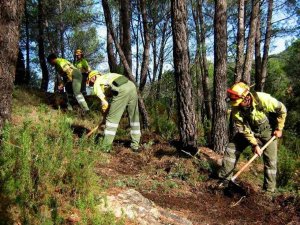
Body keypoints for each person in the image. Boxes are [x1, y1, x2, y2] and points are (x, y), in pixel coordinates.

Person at [218, 82, 287, 193]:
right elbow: (243, 128)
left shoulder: (263, 99)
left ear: (247, 98)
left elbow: (282, 109)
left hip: (267, 130)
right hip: (249, 130)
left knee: (271, 160)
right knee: (231, 148)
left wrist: (279, 128)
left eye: (240, 102)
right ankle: (224, 179)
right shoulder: (236, 108)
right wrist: (254, 144)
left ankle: (269, 191)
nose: (237, 105)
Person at [87, 70, 141, 152]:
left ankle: (105, 147)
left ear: (92, 78)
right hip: (132, 86)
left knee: (111, 120)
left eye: (90, 83)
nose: (91, 85)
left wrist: (105, 116)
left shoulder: (97, 84)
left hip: (122, 90)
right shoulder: (108, 76)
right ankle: (135, 146)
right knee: (134, 118)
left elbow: (104, 103)